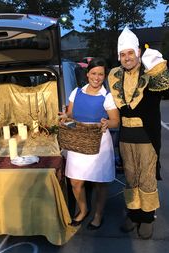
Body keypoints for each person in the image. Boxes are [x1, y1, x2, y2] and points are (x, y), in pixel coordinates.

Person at [108, 26, 169, 239]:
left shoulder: (149, 70)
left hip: (147, 135)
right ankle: (133, 214)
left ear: (138, 53)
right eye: (123, 54)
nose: (127, 58)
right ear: (119, 56)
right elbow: (117, 103)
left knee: (147, 178)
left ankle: (147, 216)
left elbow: (164, 89)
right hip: (125, 136)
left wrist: (159, 67)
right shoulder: (114, 75)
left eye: (130, 53)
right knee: (131, 178)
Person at [62, 57, 120, 229]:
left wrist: (106, 123)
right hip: (77, 141)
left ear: (105, 76)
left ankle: (98, 215)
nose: (97, 77)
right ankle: (83, 209)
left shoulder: (107, 96)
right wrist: (65, 117)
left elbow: (116, 121)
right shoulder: (76, 92)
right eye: (94, 73)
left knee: (100, 183)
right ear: (87, 74)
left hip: (99, 142)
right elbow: (71, 114)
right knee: (75, 181)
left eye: (101, 74)